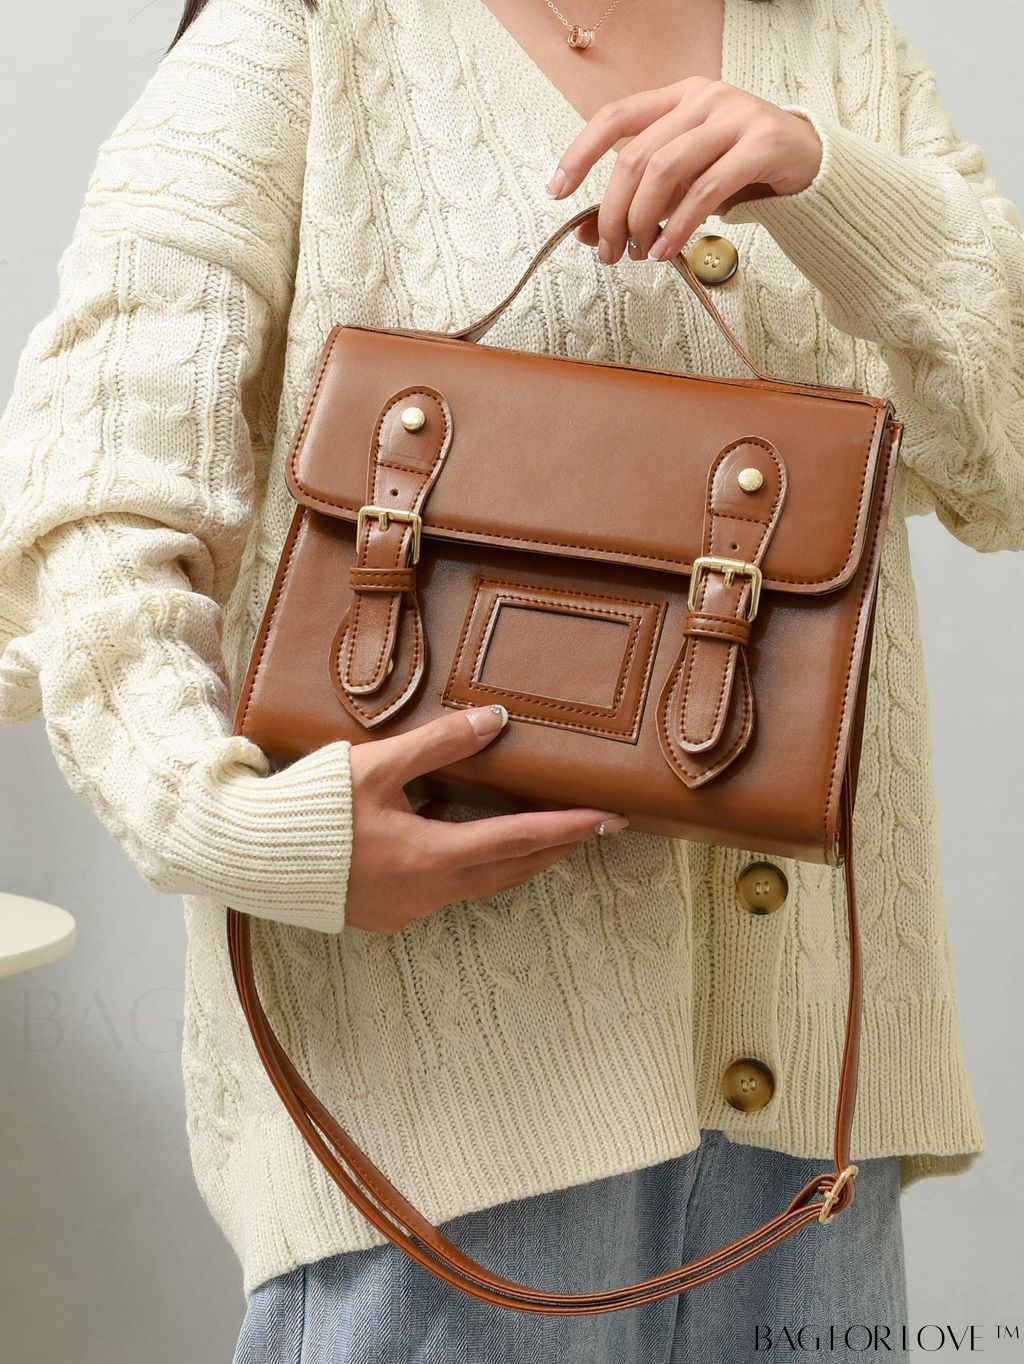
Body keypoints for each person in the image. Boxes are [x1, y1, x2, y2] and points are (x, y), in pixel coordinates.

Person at [1, 0, 1020, 1357]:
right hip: (438, 1117)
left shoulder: (841, 46)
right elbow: (92, 493)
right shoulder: (307, 28)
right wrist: (231, 827)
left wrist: (830, 179)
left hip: (814, 1131)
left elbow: (1004, 471)